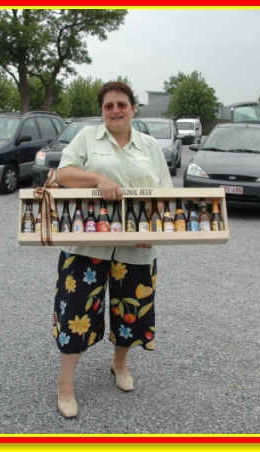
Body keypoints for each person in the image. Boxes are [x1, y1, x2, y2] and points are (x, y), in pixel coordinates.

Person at [53, 82, 173, 418]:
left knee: (130, 310)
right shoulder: (87, 138)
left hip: (136, 247)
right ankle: (66, 382)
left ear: (133, 109)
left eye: (122, 104)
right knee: (75, 312)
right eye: (109, 106)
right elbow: (63, 175)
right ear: (102, 111)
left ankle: (119, 364)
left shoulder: (149, 145)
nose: (116, 110)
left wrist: (154, 231)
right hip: (87, 243)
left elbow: (165, 193)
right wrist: (97, 179)